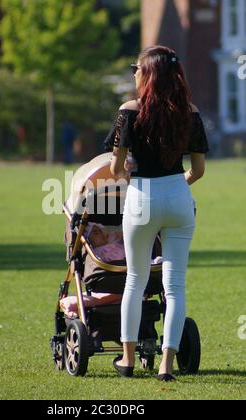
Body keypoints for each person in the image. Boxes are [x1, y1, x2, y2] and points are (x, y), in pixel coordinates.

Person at [104, 46, 209, 381]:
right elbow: (199, 170)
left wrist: (126, 176)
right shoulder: (189, 112)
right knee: (175, 286)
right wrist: (178, 186)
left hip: (142, 197)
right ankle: (166, 366)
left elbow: (116, 166)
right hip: (179, 196)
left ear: (147, 73)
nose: (134, 71)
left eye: (137, 67)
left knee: (134, 280)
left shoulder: (129, 110)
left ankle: (128, 360)